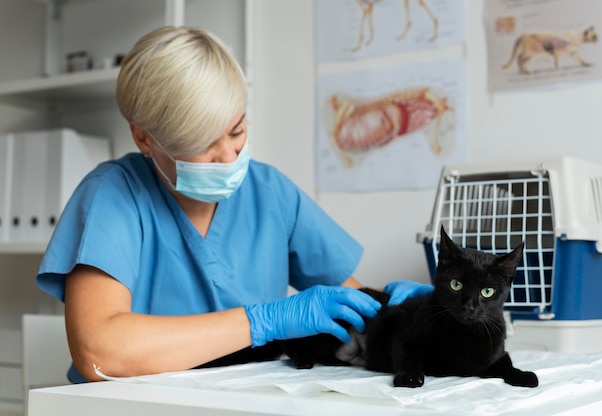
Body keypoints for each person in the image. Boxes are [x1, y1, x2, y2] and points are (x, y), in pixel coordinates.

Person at [36, 26, 433, 383]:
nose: (228, 157)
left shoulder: (269, 191)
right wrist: (265, 321)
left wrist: (413, 307)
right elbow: (99, 352)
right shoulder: (113, 195)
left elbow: (346, 302)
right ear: (144, 139)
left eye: (236, 130)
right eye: (201, 143)